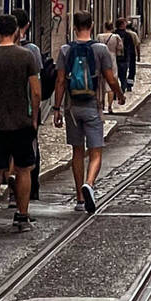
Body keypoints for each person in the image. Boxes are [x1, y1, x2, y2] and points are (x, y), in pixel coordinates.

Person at [0, 14, 41, 234]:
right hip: (21, 123)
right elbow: (36, 90)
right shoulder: (26, 56)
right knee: (23, 170)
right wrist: (33, 118)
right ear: (16, 32)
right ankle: (22, 216)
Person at [53, 12, 123, 214]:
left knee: (77, 151)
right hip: (93, 105)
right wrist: (119, 94)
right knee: (96, 151)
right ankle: (90, 184)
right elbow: (110, 78)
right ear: (92, 25)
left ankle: (79, 198)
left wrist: (56, 109)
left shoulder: (65, 50)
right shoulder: (100, 50)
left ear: (74, 27)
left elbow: (59, 81)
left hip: (72, 108)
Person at [12, 10, 46, 201]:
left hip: (2, 110)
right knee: (30, 151)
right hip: (26, 110)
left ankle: (8, 185)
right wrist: (35, 114)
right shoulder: (32, 51)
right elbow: (36, 86)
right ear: (28, 25)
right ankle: (30, 191)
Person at [114, 11, 139, 95]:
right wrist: (134, 57)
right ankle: (122, 90)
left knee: (115, 76)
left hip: (114, 58)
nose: (126, 25)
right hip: (124, 59)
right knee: (123, 76)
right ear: (122, 25)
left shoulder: (113, 34)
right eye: (125, 23)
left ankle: (114, 93)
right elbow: (132, 48)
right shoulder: (128, 35)